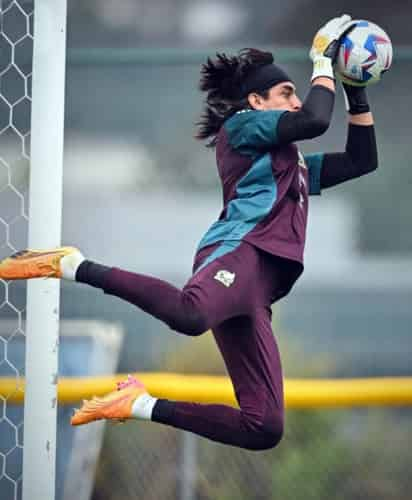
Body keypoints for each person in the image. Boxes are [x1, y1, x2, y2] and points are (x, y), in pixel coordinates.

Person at [0, 14, 378, 451]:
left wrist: (356, 85)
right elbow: (314, 120)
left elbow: (361, 160)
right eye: (286, 93)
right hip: (238, 254)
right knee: (191, 315)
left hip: (257, 290)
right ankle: (72, 264)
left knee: (265, 426)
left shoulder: (292, 166)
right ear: (255, 101)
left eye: (296, 93)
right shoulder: (241, 127)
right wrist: (322, 62)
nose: (296, 102)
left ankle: (139, 404)